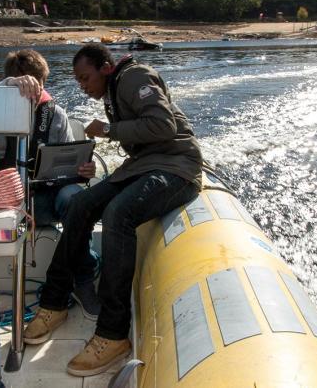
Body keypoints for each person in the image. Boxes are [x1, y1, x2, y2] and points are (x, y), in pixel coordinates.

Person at [23, 43, 202, 377]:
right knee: (80, 205)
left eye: (85, 78)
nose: (83, 86)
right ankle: (54, 302)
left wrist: (107, 130)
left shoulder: (134, 77)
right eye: (77, 81)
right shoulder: (112, 90)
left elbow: (164, 126)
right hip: (143, 165)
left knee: (118, 213)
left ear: (106, 67)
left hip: (178, 167)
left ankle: (113, 332)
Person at [0, 49, 101, 318]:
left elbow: (70, 161)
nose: (36, 93)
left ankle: (83, 280)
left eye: (40, 86)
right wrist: (6, 96)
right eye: (28, 86)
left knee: (76, 200)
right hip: (8, 198)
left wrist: (84, 168)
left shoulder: (55, 114)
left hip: (46, 197)